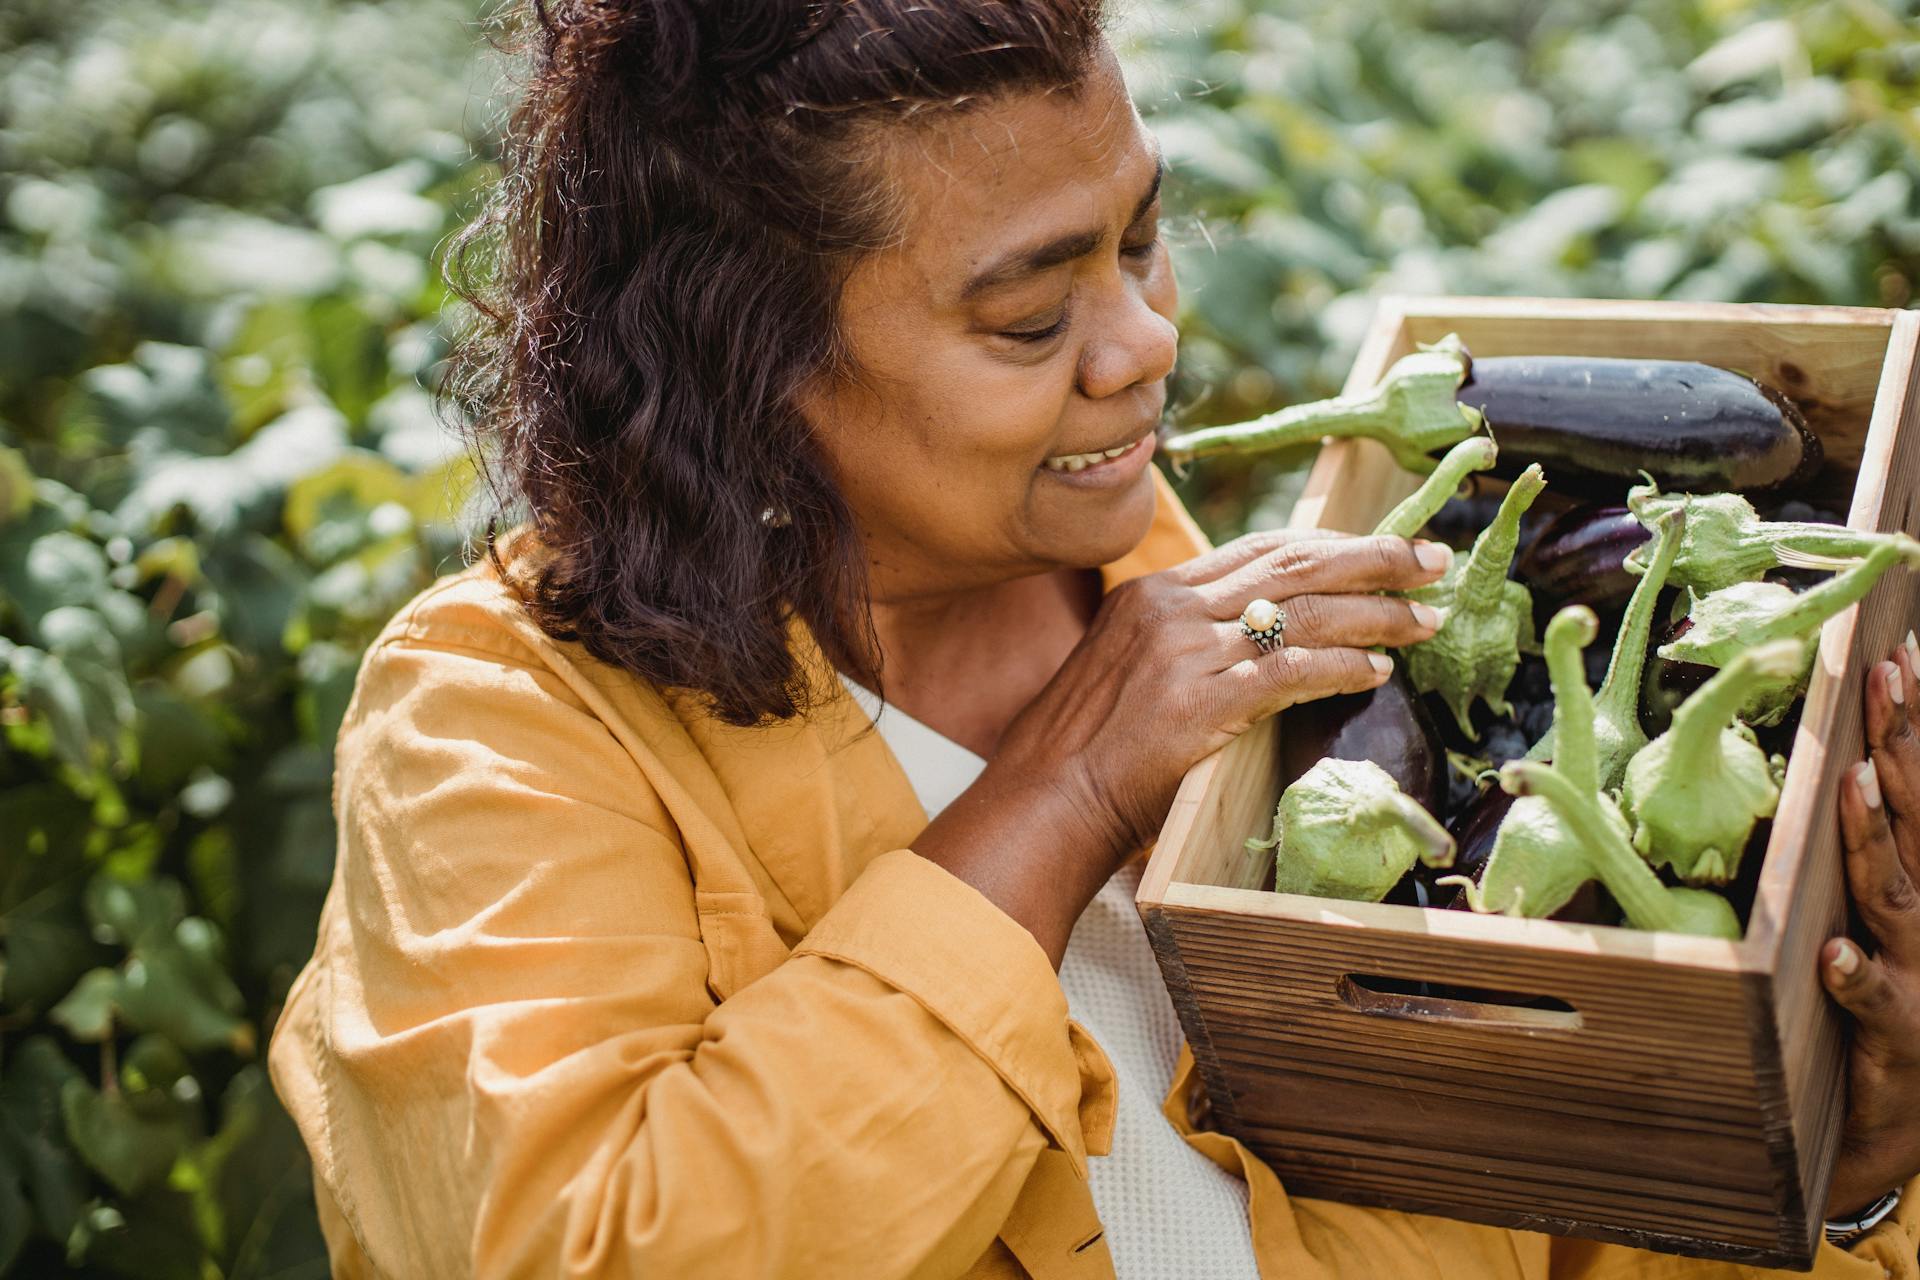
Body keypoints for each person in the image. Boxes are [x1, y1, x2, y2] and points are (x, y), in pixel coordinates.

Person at [267, 2, 1920, 1276]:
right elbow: (592, 1243)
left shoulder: (1225, 603)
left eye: (1137, 239)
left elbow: (1532, 1209)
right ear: (743, 361)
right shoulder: (498, 721)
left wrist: (1843, 1168)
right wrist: (1063, 790)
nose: (1143, 343)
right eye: (1030, 316)